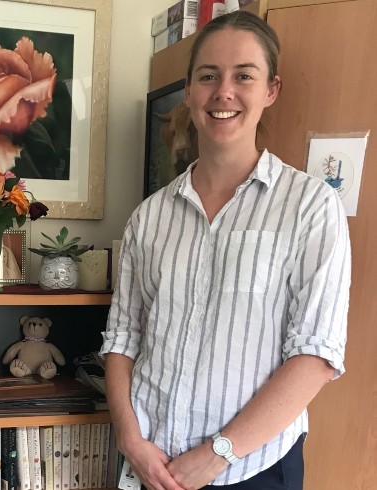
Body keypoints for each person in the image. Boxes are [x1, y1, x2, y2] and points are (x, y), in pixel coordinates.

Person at [101, 11, 350, 490]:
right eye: (208, 76)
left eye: (244, 76)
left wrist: (218, 454)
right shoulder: (149, 217)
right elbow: (122, 338)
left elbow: (316, 354)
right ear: (191, 90)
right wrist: (131, 440)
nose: (224, 92)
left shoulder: (310, 206)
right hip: (151, 464)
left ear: (270, 91)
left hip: (253, 469)